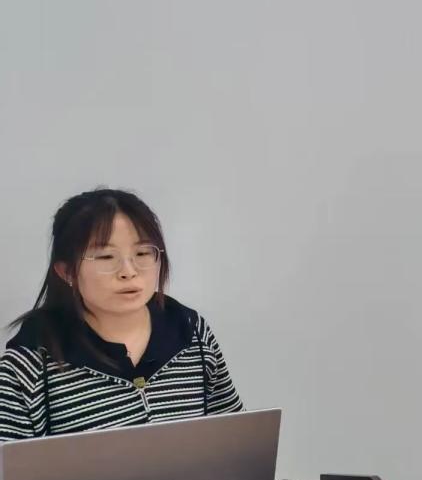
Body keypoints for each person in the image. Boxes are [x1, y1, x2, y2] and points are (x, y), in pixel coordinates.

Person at [0, 189, 243, 441]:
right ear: (67, 272)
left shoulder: (190, 329)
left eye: (142, 253)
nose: (128, 271)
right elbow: (9, 463)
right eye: (106, 257)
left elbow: (234, 439)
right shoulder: (31, 359)